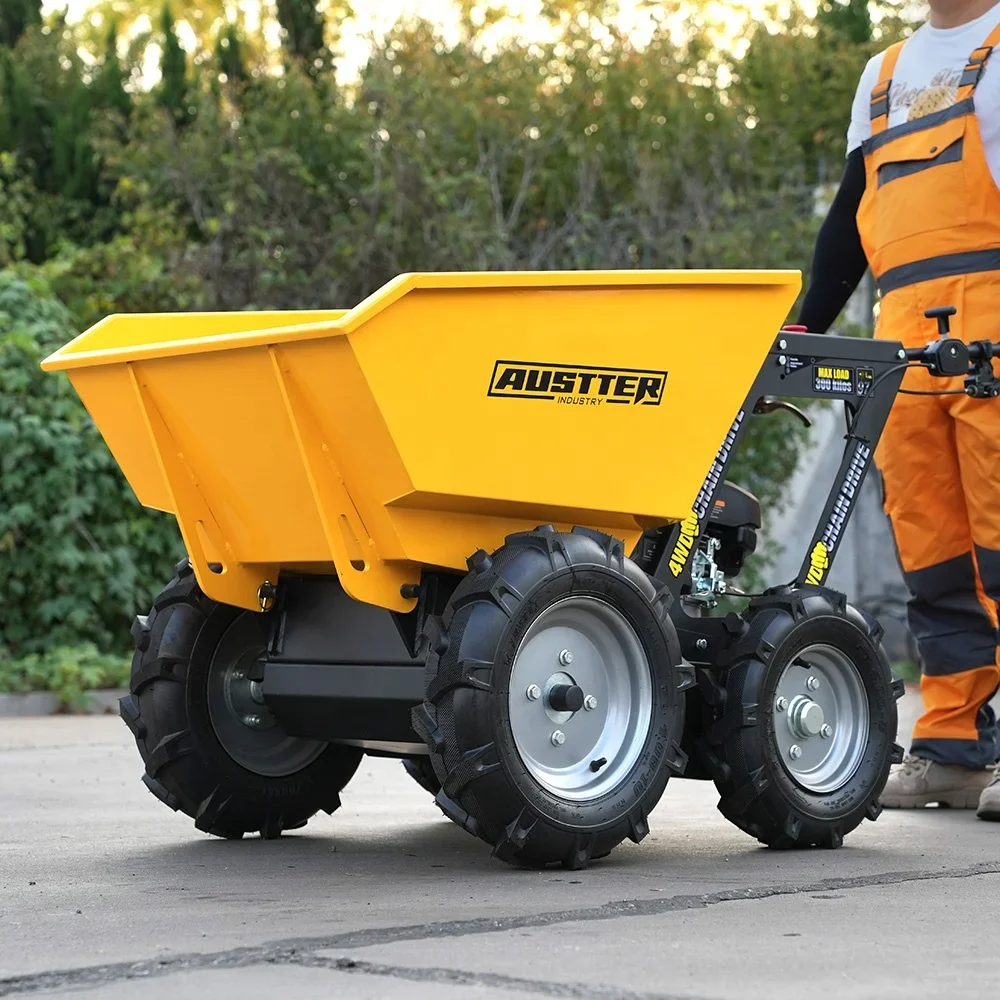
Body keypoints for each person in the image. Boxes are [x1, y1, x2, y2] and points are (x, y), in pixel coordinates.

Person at [794, 0, 1000, 820]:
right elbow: (850, 216)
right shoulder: (882, 74)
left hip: (994, 331)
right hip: (907, 346)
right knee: (934, 554)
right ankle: (951, 744)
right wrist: (807, 325)